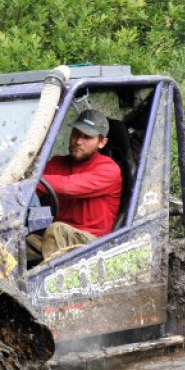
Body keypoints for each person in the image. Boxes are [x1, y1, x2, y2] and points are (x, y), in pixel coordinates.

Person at [27, 108, 121, 264]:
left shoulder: (109, 170)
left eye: (87, 137)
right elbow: (29, 189)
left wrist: (31, 181)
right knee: (19, 242)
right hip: (58, 238)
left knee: (57, 230)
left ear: (102, 142)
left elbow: (69, 186)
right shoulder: (57, 163)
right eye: (76, 134)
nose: (78, 141)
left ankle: (42, 285)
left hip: (92, 243)